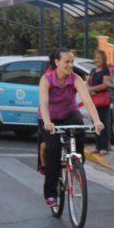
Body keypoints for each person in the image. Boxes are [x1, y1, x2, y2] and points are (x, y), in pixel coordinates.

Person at [38, 47, 104, 207]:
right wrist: (47, 122)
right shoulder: (47, 79)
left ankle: (76, 164)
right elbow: (43, 103)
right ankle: (51, 194)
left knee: (80, 128)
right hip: (49, 117)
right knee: (53, 151)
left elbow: (87, 100)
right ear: (57, 62)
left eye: (72, 61)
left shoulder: (75, 78)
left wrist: (96, 121)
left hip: (68, 113)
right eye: (67, 61)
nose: (70, 65)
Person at [87, 49, 111, 155]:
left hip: (102, 102)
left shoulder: (105, 71)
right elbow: (87, 83)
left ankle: (104, 147)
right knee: (94, 123)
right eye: (96, 58)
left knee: (102, 123)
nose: (97, 60)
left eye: (99, 58)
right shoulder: (93, 71)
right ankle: (97, 146)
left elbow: (105, 85)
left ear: (104, 59)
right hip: (93, 101)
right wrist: (89, 89)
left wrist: (92, 89)